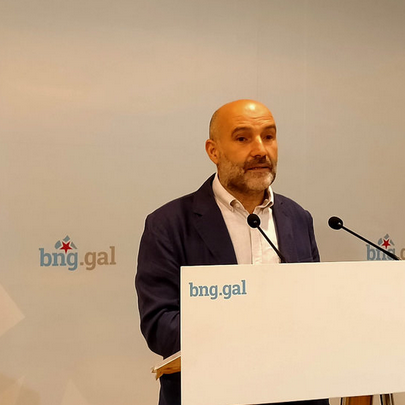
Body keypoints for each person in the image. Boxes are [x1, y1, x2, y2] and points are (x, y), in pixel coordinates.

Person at [136, 100, 327, 405]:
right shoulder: (168, 224)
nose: (260, 150)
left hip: (295, 393)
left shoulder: (298, 218)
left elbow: (315, 308)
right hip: (210, 394)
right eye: (242, 138)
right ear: (213, 151)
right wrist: (253, 331)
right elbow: (160, 326)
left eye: (269, 136)